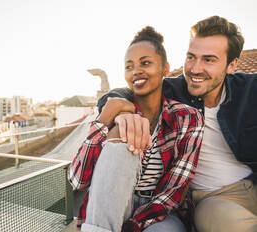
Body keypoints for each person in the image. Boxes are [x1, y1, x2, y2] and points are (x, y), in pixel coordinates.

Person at [98, 16, 257, 232]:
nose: (195, 69)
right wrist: (121, 109)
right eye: (191, 57)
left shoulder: (249, 90)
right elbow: (123, 92)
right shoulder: (172, 91)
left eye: (208, 60)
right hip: (209, 201)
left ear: (231, 65)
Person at [68, 26, 204, 232]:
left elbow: (174, 191)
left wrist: (132, 227)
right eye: (129, 66)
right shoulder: (115, 112)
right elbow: (77, 180)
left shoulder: (187, 117)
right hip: (113, 205)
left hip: (160, 211)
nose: (136, 71)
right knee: (120, 137)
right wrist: (104, 119)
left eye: (146, 63)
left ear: (165, 69)